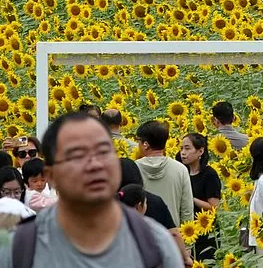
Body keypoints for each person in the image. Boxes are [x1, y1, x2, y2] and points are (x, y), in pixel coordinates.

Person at [0, 112, 184, 267]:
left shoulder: (154, 245)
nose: (95, 165)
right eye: (77, 156)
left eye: (103, 152)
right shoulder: (19, 247)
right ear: (51, 175)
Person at [135, 121, 193, 226]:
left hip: (142, 232)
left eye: (138, 140)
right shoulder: (180, 169)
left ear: (145, 144)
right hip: (171, 233)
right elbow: (187, 210)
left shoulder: (134, 168)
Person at [178, 133, 221, 261]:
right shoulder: (182, 172)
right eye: (181, 148)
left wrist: (190, 198)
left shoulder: (209, 175)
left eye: (187, 148)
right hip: (186, 231)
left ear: (200, 151)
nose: (183, 153)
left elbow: (213, 207)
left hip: (205, 233)